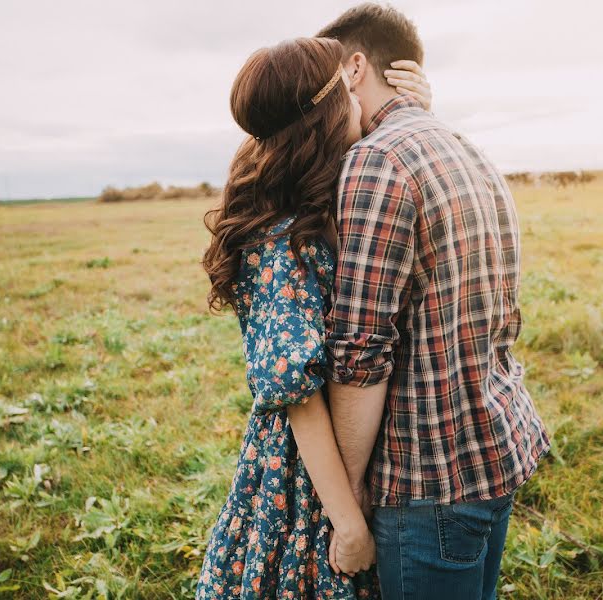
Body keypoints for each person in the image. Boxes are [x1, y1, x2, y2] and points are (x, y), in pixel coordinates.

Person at [316, 4, 551, 599]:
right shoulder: (462, 146)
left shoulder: (376, 162)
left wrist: (346, 498)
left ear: (355, 68)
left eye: (325, 79)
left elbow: (361, 352)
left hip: (426, 480)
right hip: (492, 445)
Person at [198, 35, 432, 599]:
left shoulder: (315, 196)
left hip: (344, 444)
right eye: (350, 94)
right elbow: (296, 394)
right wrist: (347, 521)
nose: (361, 100)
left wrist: (417, 114)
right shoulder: (283, 236)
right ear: (329, 112)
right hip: (308, 471)